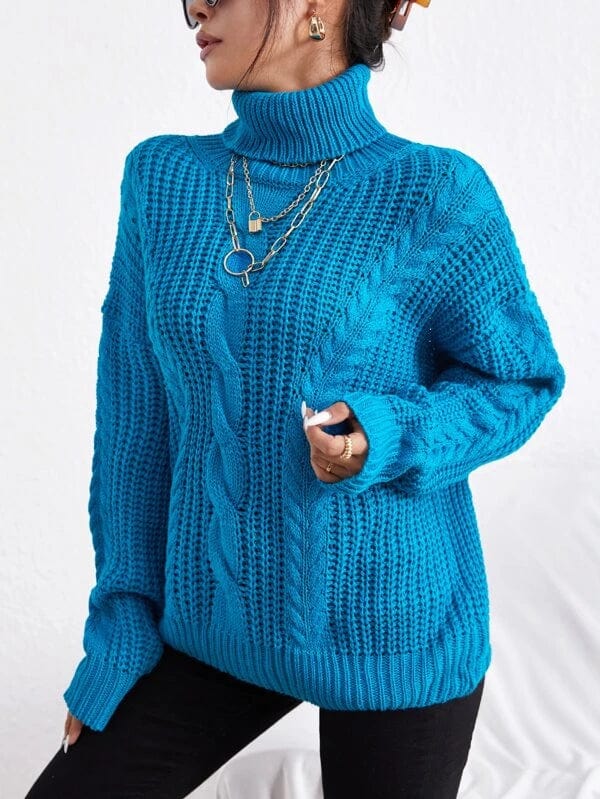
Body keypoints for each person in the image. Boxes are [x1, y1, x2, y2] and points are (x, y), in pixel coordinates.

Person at [24, 0, 566, 797]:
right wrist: (119, 628)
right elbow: (135, 429)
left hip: (395, 634)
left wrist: (389, 433)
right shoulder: (162, 180)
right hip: (213, 623)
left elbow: (522, 378)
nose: (195, 7)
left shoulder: (436, 192)